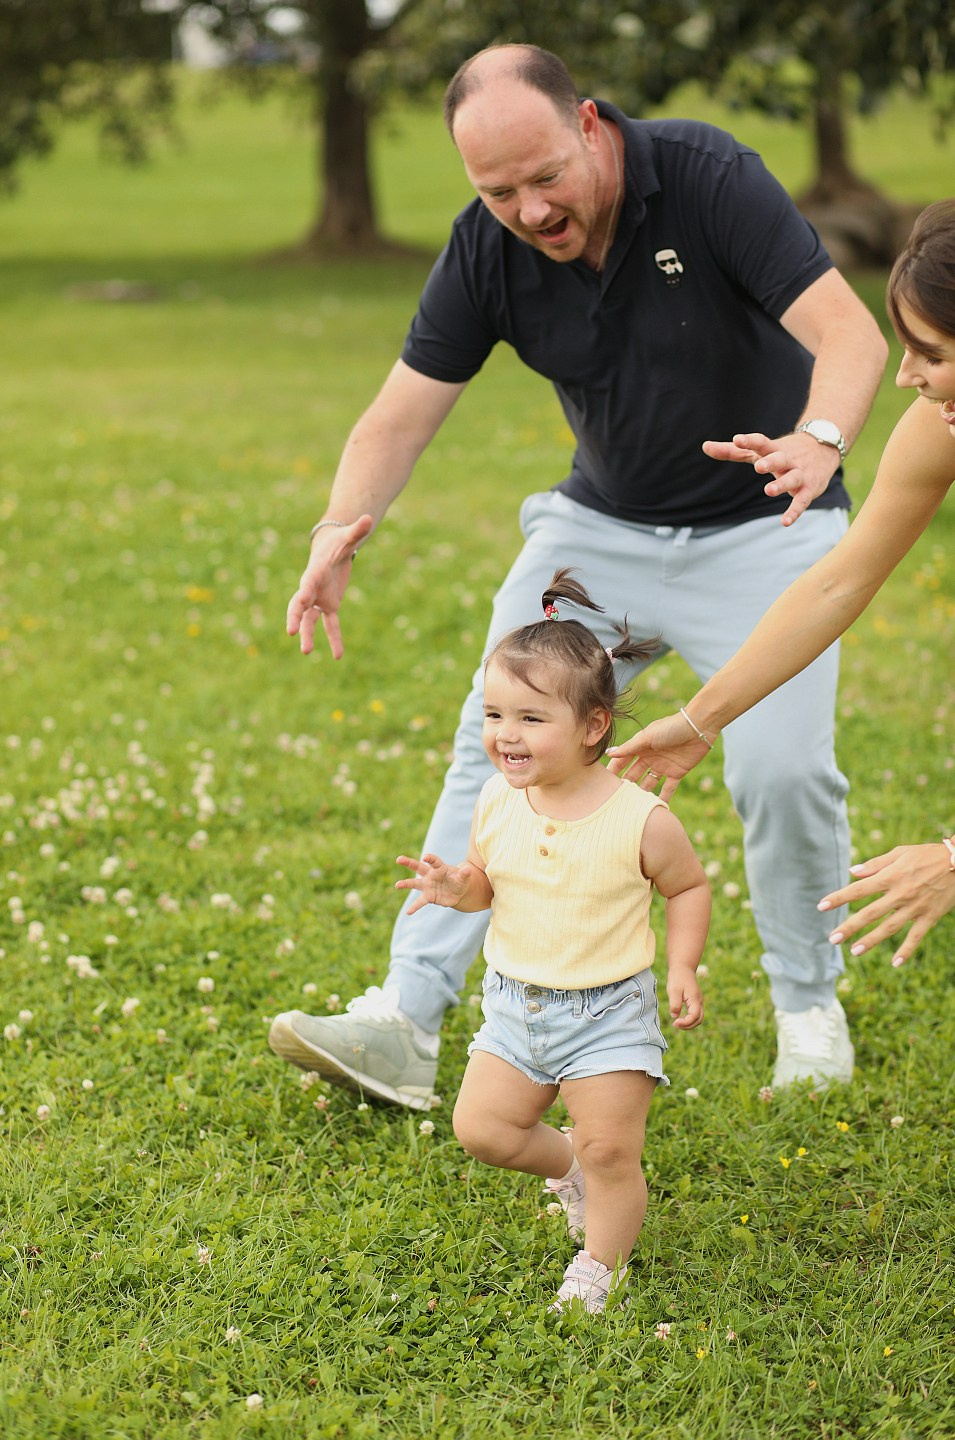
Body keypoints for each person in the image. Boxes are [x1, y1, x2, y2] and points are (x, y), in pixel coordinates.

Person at [268, 43, 888, 1104]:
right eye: (496, 190)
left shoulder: (705, 177)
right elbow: (400, 413)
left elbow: (847, 331)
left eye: (545, 175)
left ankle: (805, 1004)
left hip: (769, 526)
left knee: (779, 775)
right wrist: (338, 526)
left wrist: (820, 436)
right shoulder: (485, 250)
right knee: (494, 739)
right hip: (601, 536)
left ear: (589, 124)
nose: (529, 209)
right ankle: (406, 1020)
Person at [607, 198, 955, 971]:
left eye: (929, 352)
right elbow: (838, 582)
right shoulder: (940, 425)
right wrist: (699, 721)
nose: (904, 377)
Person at [392, 571, 709, 1314]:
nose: (506, 734)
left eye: (531, 718)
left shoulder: (638, 818)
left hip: (607, 1011)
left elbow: (687, 887)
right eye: (494, 713)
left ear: (593, 726)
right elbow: (487, 883)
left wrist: (682, 962)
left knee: (611, 1150)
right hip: (514, 1005)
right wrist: (455, 887)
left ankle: (600, 1264)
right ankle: (568, 1169)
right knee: (483, 1130)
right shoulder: (497, 799)